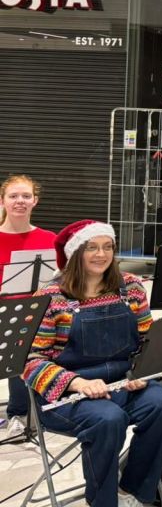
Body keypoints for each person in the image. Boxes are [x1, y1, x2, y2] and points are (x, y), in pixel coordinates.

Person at [22, 220, 162, 507]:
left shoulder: (131, 287)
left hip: (122, 382)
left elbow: (148, 342)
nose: (101, 254)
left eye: (108, 247)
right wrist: (77, 382)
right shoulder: (51, 297)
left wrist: (142, 372)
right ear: (75, 253)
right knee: (109, 419)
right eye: (91, 247)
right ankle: (102, 501)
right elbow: (31, 362)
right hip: (65, 395)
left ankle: (133, 492)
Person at [0, 174, 58, 438]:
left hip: (41, 312)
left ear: (35, 200)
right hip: (7, 315)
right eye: (13, 196)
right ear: (3, 201)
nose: (20, 201)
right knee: (21, 333)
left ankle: (43, 405)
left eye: (26, 196)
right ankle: (18, 412)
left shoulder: (50, 239)